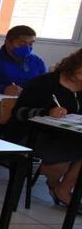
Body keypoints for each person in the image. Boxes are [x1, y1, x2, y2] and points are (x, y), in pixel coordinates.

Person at [11, 49, 82, 205]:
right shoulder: (44, 83)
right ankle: (56, 185)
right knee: (65, 153)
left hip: (67, 136)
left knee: (74, 149)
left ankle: (63, 189)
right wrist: (47, 112)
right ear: (74, 64)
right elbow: (18, 113)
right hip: (30, 135)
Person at [0, 25, 46, 95]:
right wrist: (4, 89)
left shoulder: (37, 62)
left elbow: (44, 84)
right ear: (8, 42)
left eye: (30, 44)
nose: (27, 48)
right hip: (0, 104)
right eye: (21, 44)